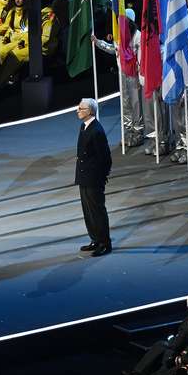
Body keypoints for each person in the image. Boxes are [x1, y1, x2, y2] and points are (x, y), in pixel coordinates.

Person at [75, 97, 113, 256]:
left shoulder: (96, 131)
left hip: (93, 178)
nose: (77, 111)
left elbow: (105, 158)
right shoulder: (84, 126)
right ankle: (95, 239)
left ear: (90, 111)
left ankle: (105, 243)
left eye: (81, 108)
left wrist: (101, 177)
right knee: (88, 211)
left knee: (97, 211)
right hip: (84, 176)